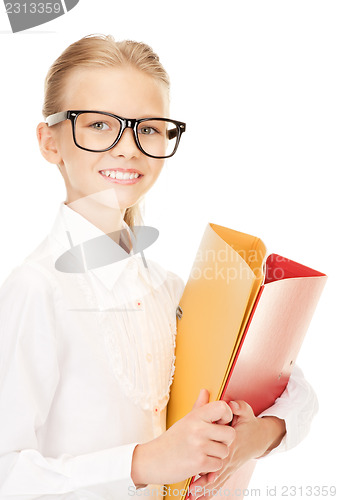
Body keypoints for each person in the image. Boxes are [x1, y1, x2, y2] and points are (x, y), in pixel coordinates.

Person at [0, 34, 318, 500]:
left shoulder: (170, 291)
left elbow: (295, 390)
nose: (128, 148)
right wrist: (146, 461)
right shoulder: (37, 288)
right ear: (49, 141)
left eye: (148, 128)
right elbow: (7, 473)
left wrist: (256, 437)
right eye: (100, 124)